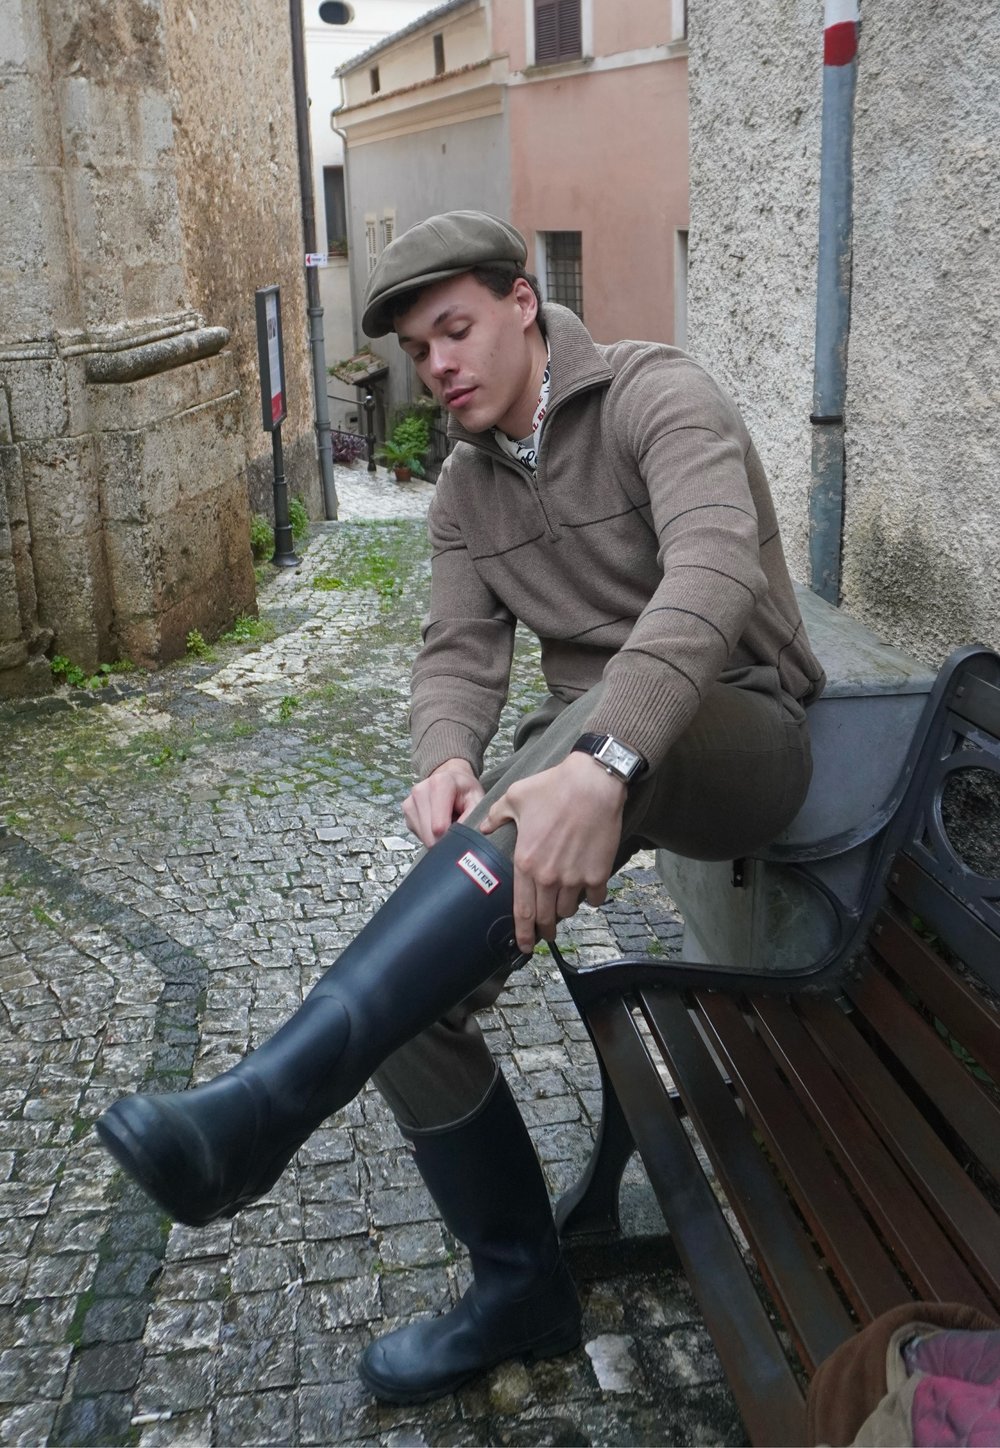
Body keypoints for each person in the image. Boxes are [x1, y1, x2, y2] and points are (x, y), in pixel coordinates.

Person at [96, 210, 825, 1405]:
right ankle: (517, 1284)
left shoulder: (656, 395)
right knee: (415, 999)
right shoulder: (464, 489)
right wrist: (444, 756)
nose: (437, 364)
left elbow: (710, 575)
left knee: (575, 740)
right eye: (417, 349)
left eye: (455, 329)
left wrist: (605, 759)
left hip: (743, 731)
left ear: (522, 304)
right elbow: (456, 652)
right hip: (579, 758)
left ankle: (267, 1099)